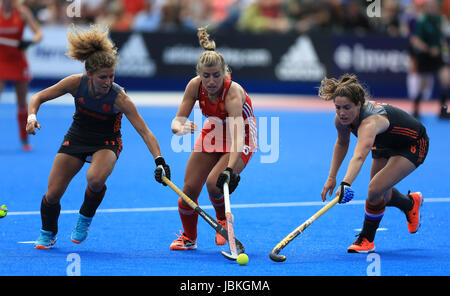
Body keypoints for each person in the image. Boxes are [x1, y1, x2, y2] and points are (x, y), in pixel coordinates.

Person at [26, 24, 171, 249]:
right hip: (77, 136)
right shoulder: (75, 83)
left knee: (94, 179)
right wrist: (31, 117)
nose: (108, 82)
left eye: (111, 76)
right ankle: (48, 232)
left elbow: (145, 131)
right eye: (103, 77)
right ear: (89, 75)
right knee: (52, 194)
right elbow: (37, 97)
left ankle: (85, 218)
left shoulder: (120, 98)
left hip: (107, 141)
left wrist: (159, 161)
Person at [319, 74, 429, 253]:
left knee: (374, 190)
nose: (341, 113)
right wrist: (332, 177)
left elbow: (360, 155)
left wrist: (346, 183)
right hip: (384, 143)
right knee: (380, 196)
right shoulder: (340, 120)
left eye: (347, 107)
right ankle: (410, 203)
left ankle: (367, 239)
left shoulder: (370, 123)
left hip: (412, 144)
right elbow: (342, 143)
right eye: (337, 107)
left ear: (359, 105)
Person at [169, 26, 257, 250]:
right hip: (214, 131)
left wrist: (230, 169)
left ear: (225, 73)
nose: (211, 81)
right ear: (199, 74)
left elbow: (238, 136)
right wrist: (178, 128)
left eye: (216, 75)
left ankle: (222, 222)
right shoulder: (194, 86)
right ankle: (189, 239)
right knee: (187, 192)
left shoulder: (233, 93)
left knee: (215, 184)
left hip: (242, 136)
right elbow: (177, 120)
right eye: (206, 75)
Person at [0, 0, 42, 151]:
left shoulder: (23, 12)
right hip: (1, 61)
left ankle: (24, 139)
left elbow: (39, 33)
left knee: (22, 103)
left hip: (18, 61)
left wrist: (29, 42)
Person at [410, 0, 449, 118]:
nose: (432, 8)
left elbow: (440, 37)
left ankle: (443, 110)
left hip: (438, 56)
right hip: (425, 56)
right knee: (423, 86)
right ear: (427, 7)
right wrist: (428, 49)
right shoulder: (422, 21)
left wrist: (444, 47)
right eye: (430, 6)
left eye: (434, 6)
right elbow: (415, 40)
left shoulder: (439, 20)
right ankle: (416, 109)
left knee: (446, 79)